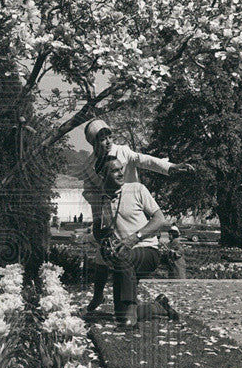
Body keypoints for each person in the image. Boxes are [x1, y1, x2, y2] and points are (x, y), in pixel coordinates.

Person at [80, 118, 194, 311]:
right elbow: (89, 190)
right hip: (111, 215)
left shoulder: (122, 152)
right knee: (103, 254)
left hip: (134, 212)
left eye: (109, 135)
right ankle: (100, 297)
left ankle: (131, 307)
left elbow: (145, 160)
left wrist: (170, 167)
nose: (107, 141)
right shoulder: (90, 166)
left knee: (126, 266)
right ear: (93, 142)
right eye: (101, 138)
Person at [94, 156, 181, 328]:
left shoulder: (137, 189)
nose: (121, 173)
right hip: (123, 257)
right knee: (119, 316)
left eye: (121, 169)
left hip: (147, 250)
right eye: (114, 170)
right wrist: (104, 242)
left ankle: (132, 314)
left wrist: (134, 238)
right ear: (103, 175)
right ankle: (158, 307)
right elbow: (98, 229)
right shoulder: (100, 199)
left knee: (123, 257)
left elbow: (159, 219)